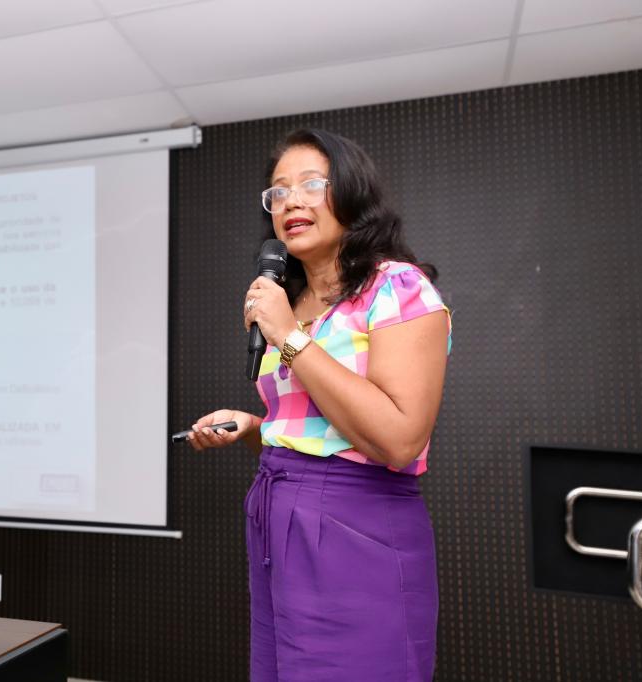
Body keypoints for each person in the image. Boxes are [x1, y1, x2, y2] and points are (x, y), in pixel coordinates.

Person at [187, 128, 451, 682]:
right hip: (277, 517)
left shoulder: (397, 287)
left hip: (357, 524)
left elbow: (399, 439)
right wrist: (257, 428)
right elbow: (319, 428)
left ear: (351, 194)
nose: (292, 202)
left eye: (311, 184)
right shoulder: (290, 302)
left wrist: (288, 336)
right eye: (279, 192)